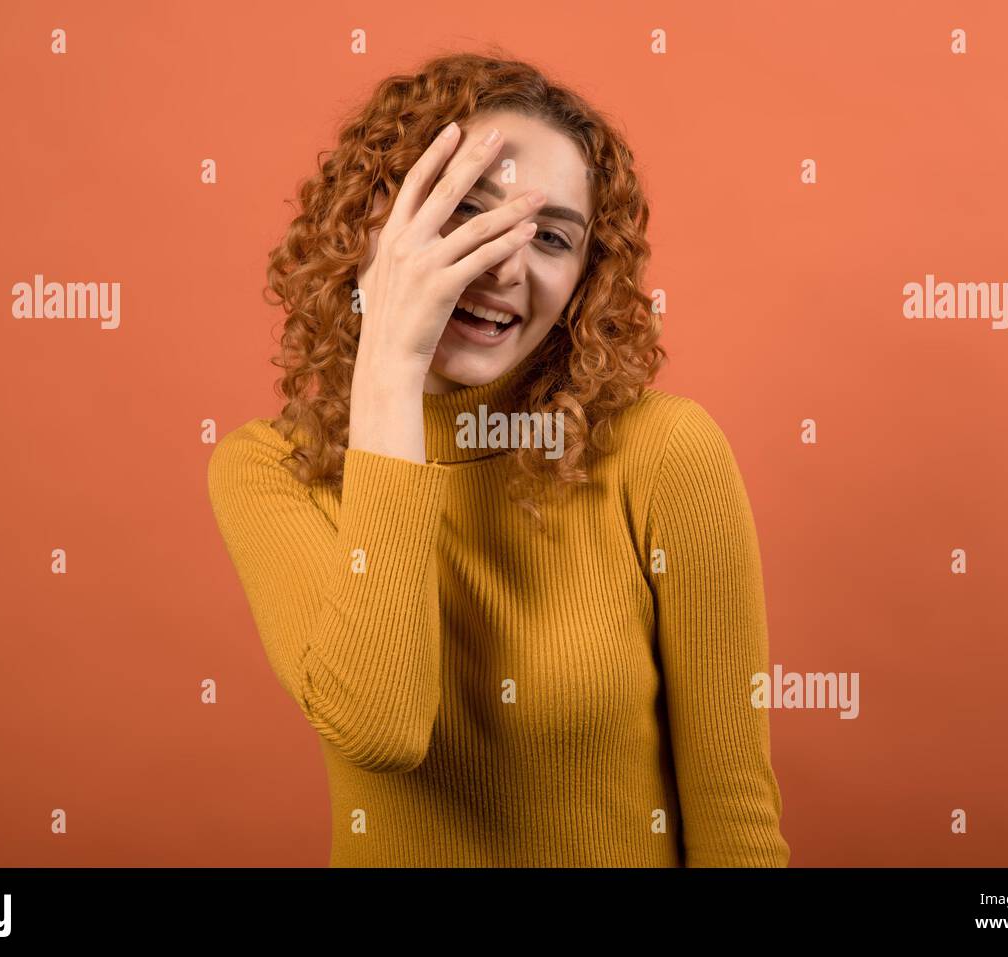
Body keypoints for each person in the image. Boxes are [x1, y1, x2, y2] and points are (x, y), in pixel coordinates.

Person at [207, 50, 791, 867]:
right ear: (377, 223)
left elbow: (736, 823)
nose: (506, 265)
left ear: (585, 280)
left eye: (551, 236)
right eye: (465, 214)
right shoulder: (271, 470)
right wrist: (391, 366)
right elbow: (381, 725)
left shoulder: (665, 452)